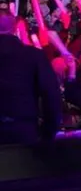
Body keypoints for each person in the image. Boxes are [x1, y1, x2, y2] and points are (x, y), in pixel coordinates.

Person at [0, 10, 62, 144]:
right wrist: (49, 132)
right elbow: (51, 94)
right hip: (23, 130)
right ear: (15, 27)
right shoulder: (34, 56)